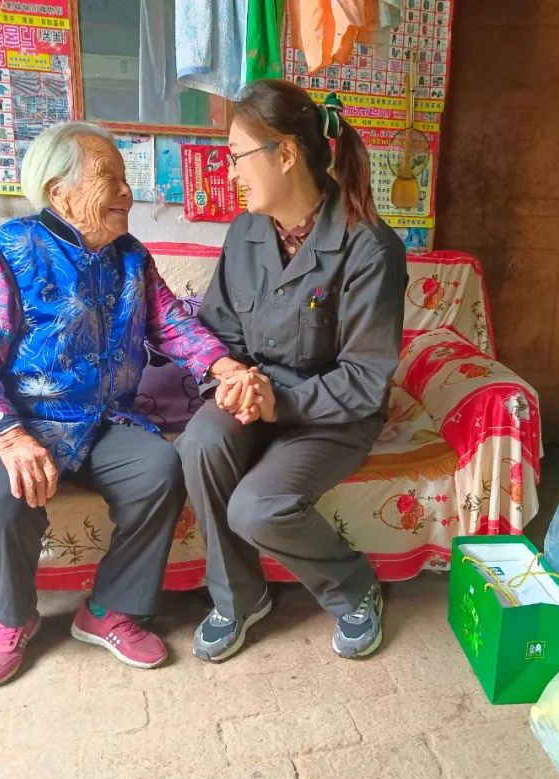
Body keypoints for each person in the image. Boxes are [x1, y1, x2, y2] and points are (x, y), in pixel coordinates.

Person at [0, 122, 246, 687]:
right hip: (12, 420)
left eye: (126, 178)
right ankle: (13, 617)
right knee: (2, 498)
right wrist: (6, 435)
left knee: (159, 469)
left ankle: (107, 609)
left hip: (100, 420)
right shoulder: (14, 249)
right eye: (111, 178)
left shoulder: (130, 256)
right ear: (60, 193)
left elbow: (170, 324)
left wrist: (222, 366)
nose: (127, 192)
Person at [176, 80, 408, 662]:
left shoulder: (369, 247)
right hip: (257, 393)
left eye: (237, 156)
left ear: (284, 154)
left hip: (334, 413)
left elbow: (364, 376)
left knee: (256, 508)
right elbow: (220, 331)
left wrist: (279, 403)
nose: (230, 172)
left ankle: (354, 587)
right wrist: (234, 380)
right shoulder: (246, 232)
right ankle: (239, 597)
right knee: (200, 442)